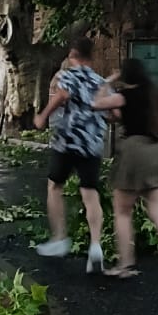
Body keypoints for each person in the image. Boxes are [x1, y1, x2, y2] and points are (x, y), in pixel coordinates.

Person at [93, 58, 158, 293]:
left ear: (126, 76)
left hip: (134, 154)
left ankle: (125, 264)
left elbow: (95, 104)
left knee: (123, 212)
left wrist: (108, 81)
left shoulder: (125, 96)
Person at [32, 35, 107, 272]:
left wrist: (43, 116)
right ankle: (95, 245)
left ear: (73, 54)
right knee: (90, 192)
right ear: (91, 56)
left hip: (68, 140)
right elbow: (112, 112)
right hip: (92, 144)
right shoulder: (100, 81)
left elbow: (63, 96)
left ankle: (60, 238)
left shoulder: (69, 75)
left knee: (55, 186)